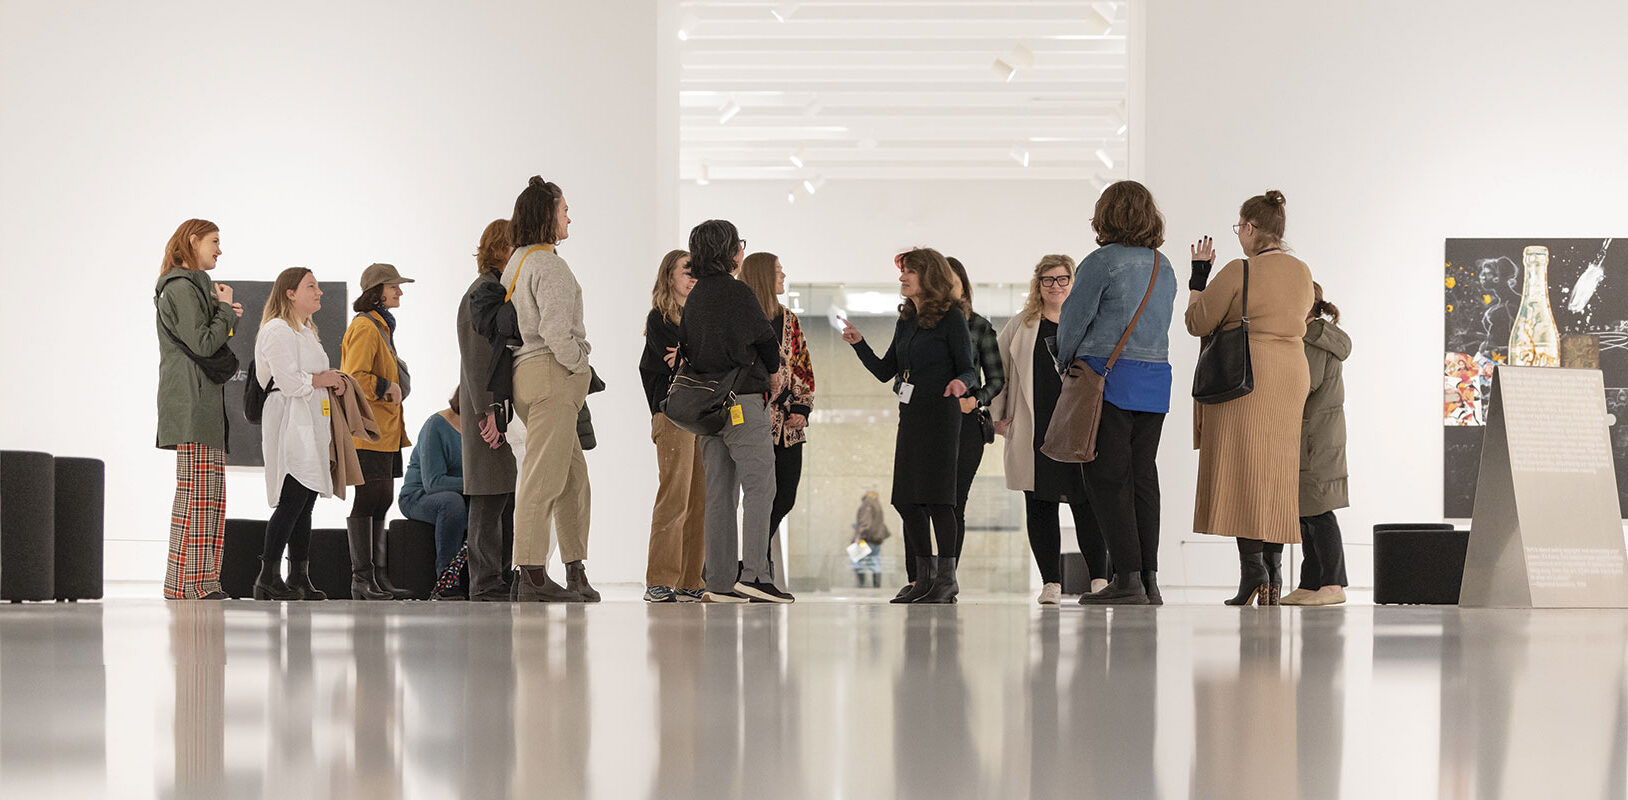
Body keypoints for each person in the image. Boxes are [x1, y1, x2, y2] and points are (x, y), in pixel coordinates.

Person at [1186, 190, 1314, 606]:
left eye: (1240, 227)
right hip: (1291, 373)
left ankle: (1253, 572)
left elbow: (1196, 321)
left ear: (1252, 228)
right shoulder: (1302, 271)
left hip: (1247, 376)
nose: (1240, 235)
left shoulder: (1239, 270)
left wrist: (1197, 280)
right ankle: (1274, 577)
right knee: (1275, 474)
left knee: (1245, 472)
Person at [1059, 181, 1179, 606]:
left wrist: (1063, 362)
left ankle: (1125, 578)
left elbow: (1073, 321)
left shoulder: (1101, 262)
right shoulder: (1163, 266)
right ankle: (1148, 577)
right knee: (1143, 477)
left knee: (1107, 478)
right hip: (1155, 380)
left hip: (1107, 378)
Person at [841, 248, 975, 604]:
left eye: (909, 272)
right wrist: (859, 344)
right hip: (912, 417)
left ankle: (946, 579)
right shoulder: (906, 321)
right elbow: (887, 371)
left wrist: (962, 383)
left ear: (928, 276)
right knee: (906, 499)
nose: (902, 278)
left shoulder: (952, 319)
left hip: (942, 416)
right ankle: (924, 578)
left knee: (940, 500)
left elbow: (968, 367)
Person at [678, 219, 792, 603]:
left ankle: (721, 582)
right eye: (739, 244)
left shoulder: (695, 297)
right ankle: (756, 575)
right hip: (743, 402)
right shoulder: (738, 292)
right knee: (761, 488)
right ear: (729, 251)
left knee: (719, 493)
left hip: (708, 410)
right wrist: (775, 376)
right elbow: (765, 339)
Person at [990, 254, 1114, 606]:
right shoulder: (1021, 326)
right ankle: (1051, 583)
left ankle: (1099, 581)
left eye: (1062, 279)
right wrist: (999, 415)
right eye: (1048, 280)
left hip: (1078, 425)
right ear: (1038, 284)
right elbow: (999, 375)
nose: (1055, 286)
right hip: (1036, 427)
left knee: (1086, 503)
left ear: (1073, 283)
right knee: (1039, 504)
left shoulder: (1090, 322)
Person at [499, 176, 598, 602]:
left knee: (573, 478)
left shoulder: (516, 263)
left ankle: (575, 569)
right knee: (542, 479)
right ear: (547, 215)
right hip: (552, 375)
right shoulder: (549, 264)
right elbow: (557, 332)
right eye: (564, 209)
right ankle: (533, 574)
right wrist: (582, 365)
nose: (569, 216)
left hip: (527, 375)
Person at [155, 219, 241, 600]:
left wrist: (223, 312)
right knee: (201, 497)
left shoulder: (189, 288)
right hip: (192, 406)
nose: (219, 249)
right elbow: (205, 344)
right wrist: (224, 311)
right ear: (193, 241)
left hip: (197, 404)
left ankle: (189, 584)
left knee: (202, 494)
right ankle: (195, 584)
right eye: (214, 241)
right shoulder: (181, 287)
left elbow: (202, 340)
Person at [255, 267, 348, 600]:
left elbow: (311, 376)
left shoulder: (306, 330)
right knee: (292, 497)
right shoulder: (277, 329)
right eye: (311, 286)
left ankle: (299, 576)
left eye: (319, 286)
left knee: (306, 501)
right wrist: (323, 379)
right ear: (290, 293)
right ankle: (267, 576)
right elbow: (291, 381)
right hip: (290, 419)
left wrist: (329, 381)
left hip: (311, 419)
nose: (319, 291)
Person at [341, 262, 417, 600]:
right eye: (393, 286)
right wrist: (387, 385)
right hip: (369, 431)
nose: (399, 291)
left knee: (383, 499)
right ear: (377, 291)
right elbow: (354, 375)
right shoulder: (365, 327)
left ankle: (378, 578)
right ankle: (362, 579)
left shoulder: (382, 327)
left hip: (386, 431)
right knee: (369, 499)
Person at [741, 251, 815, 587]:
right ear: (761, 276)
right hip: (753, 420)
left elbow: (802, 365)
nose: (783, 276)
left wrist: (801, 407)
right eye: (778, 271)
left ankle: (751, 562)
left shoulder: (789, 320)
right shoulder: (742, 317)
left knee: (785, 495)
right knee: (758, 495)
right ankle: (757, 568)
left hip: (789, 428)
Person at [639, 249, 708, 603]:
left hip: (702, 419)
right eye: (686, 270)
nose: (693, 275)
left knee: (700, 501)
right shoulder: (659, 320)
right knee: (674, 498)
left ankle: (690, 579)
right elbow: (678, 362)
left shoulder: (701, 317)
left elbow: (696, 359)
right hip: (672, 416)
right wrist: (694, 358)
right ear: (669, 276)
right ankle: (660, 579)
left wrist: (689, 356)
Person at [458, 219, 519, 602]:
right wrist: (489, 414)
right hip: (488, 410)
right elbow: (478, 359)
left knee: (502, 495)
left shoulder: (493, 289)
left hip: (494, 407)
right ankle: (484, 582)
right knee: (488, 497)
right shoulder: (484, 291)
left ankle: (496, 578)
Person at [1283, 284, 1351, 606]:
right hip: (1313, 435)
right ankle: (1310, 582)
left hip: (1315, 438)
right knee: (1306, 511)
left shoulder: (1313, 340)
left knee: (1320, 512)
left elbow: (1302, 384)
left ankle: (1333, 584)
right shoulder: (1312, 336)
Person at [400, 392, 467, 600]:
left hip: (458, 493)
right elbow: (434, 483)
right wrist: (474, 485)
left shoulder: (479, 429)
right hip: (417, 496)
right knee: (452, 502)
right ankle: (446, 582)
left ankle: (498, 578)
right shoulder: (435, 426)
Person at [850, 490, 889, 588]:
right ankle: (876, 586)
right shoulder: (878, 506)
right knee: (875, 562)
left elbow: (865, 522)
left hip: (866, 538)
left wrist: (859, 537)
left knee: (857, 561)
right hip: (876, 539)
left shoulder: (867, 505)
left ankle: (861, 585)